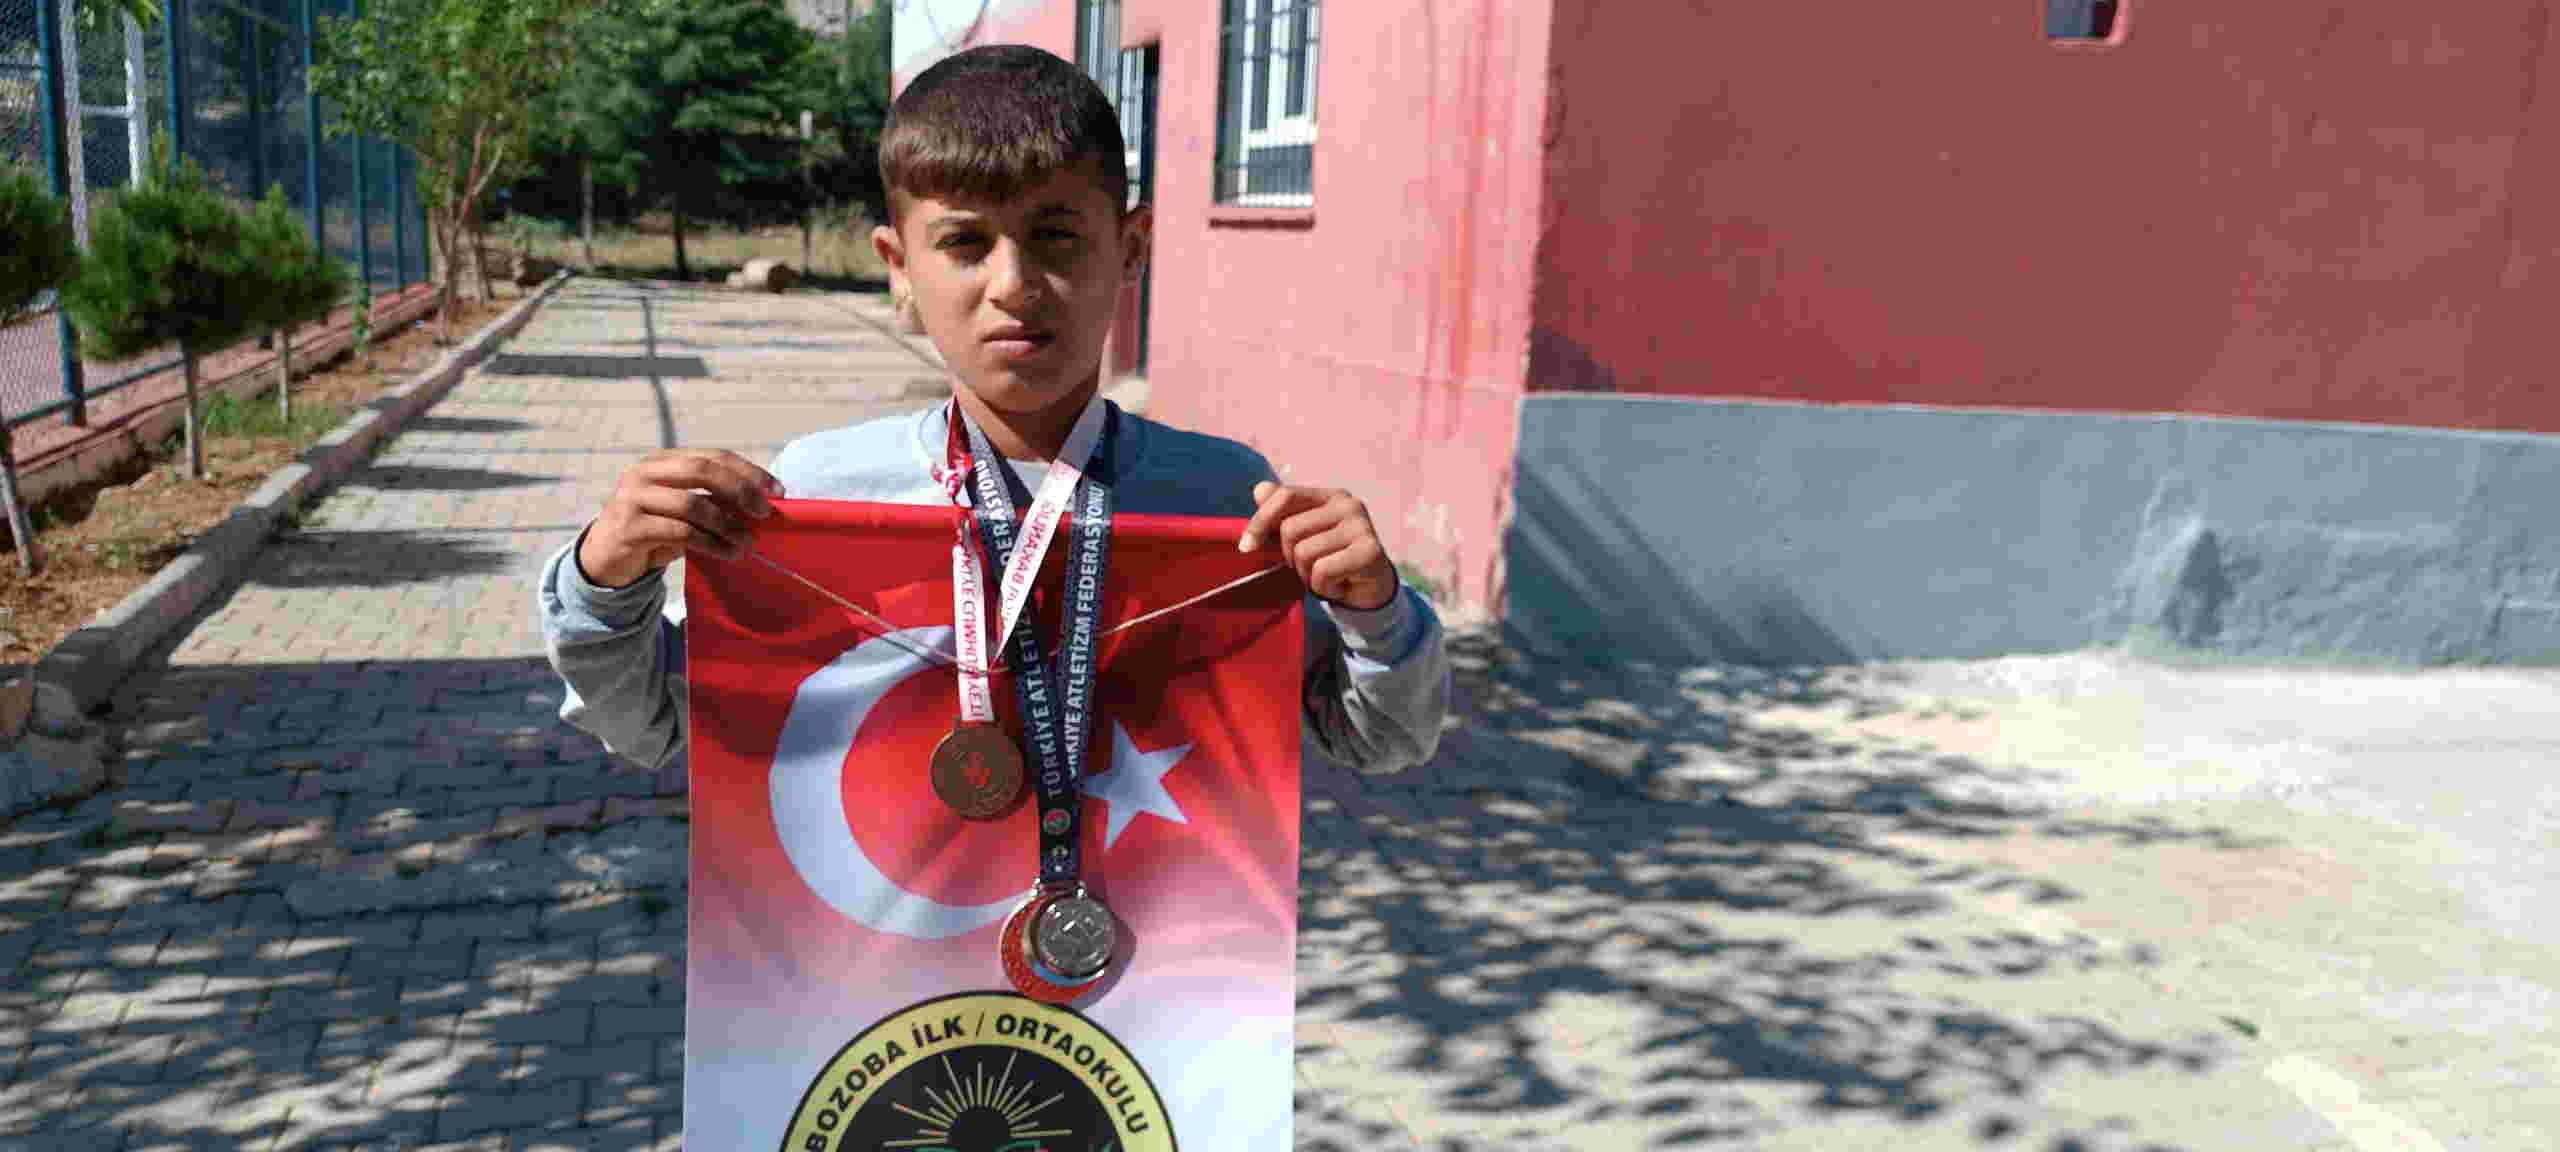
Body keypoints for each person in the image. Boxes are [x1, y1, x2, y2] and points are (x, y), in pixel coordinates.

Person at [537, 44, 1449, 779]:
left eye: (1056, 236)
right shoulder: (815, 499)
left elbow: (1378, 739)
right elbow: (658, 726)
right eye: (965, 243)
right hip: (877, 959)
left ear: (1132, 247)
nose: (1013, 285)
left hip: (1151, 954)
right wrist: (604, 583)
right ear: (899, 268)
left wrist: (1376, 612)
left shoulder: (1223, 502)